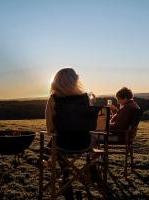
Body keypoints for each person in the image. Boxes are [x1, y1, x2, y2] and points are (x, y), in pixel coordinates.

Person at [44, 67, 96, 200]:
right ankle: (91, 170)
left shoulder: (53, 99)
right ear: (75, 80)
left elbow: (50, 128)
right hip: (85, 142)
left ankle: (65, 173)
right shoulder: (85, 98)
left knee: (57, 139)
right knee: (95, 137)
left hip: (63, 143)